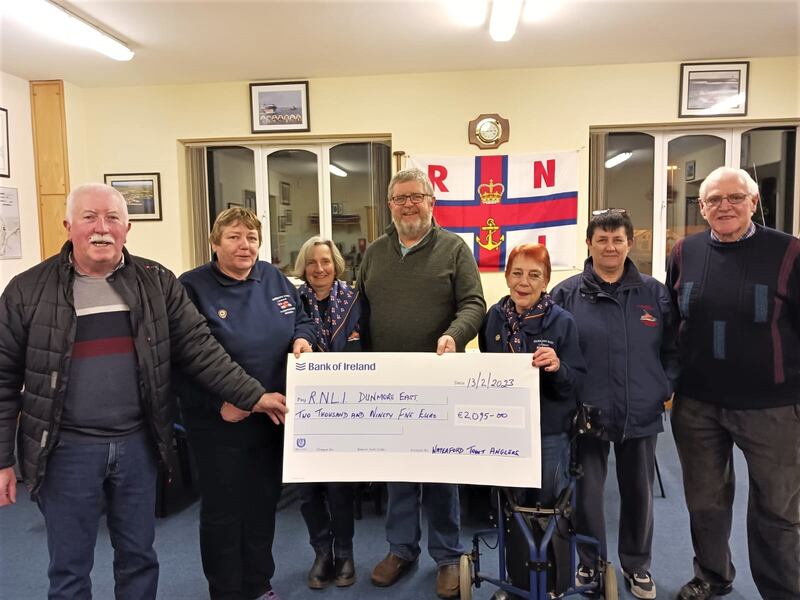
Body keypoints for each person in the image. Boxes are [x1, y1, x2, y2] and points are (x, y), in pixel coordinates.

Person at [0, 184, 287, 600]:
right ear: (68, 225)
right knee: (69, 568)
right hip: (65, 450)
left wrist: (252, 396)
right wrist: (2, 459)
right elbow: (3, 377)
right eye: (89, 217)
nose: (102, 228)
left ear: (127, 227)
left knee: (138, 558)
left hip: (139, 445)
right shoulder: (27, 291)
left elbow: (199, 348)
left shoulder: (157, 282)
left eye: (112, 218)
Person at [666, 167, 800, 600]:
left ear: (754, 201)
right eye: (714, 200)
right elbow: (672, 320)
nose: (725, 206)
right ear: (702, 208)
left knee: (777, 508)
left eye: (735, 197)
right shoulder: (684, 253)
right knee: (705, 502)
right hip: (698, 403)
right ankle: (712, 574)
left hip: (772, 407)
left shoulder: (789, 253)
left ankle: (783, 589)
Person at [358, 168, 486, 599]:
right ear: (389, 205)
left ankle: (448, 556)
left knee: (440, 473)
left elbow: (474, 303)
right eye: (400, 198)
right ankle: (401, 550)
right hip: (389, 384)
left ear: (432, 202)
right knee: (398, 473)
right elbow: (360, 311)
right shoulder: (374, 253)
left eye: (417, 196)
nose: (408, 204)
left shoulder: (454, 249)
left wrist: (456, 335)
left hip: (438, 381)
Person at [175, 207, 315, 600]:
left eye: (252, 237)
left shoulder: (272, 277)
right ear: (215, 242)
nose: (245, 245)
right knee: (224, 512)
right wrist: (218, 403)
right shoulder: (192, 288)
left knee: (261, 505)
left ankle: (258, 585)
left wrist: (302, 338)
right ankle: (226, 591)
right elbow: (180, 361)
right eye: (235, 236)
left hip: (270, 417)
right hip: (221, 420)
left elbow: (301, 318)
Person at [551, 209, 679, 600]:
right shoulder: (566, 294)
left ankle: (637, 566)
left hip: (641, 411)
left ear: (629, 243)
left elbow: (674, 349)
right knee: (587, 496)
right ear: (588, 244)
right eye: (601, 239)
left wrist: (663, 387)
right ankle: (590, 563)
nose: (610, 246)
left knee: (638, 493)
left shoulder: (654, 293)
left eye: (617, 239)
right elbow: (553, 349)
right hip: (585, 414)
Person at [480, 243, 586, 505]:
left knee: (546, 505)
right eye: (517, 273)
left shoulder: (562, 322)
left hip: (547, 431)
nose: (523, 282)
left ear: (546, 280)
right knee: (510, 504)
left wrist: (558, 367)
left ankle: (546, 548)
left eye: (534, 274)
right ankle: (515, 547)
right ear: (506, 277)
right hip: (504, 429)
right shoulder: (494, 317)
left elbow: (576, 382)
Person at [292, 236, 362, 590]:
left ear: (336, 264)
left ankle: (345, 553)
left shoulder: (355, 302)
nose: (319, 269)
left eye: (326, 261)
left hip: (345, 413)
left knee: (339, 488)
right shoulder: (290, 303)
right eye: (311, 263)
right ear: (303, 268)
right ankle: (321, 552)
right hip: (302, 412)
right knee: (308, 490)